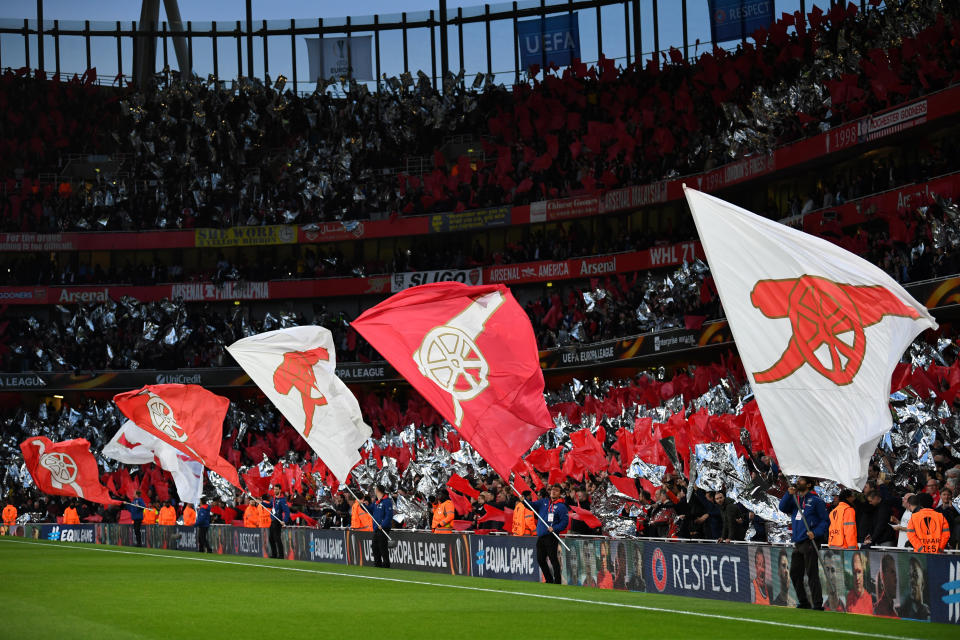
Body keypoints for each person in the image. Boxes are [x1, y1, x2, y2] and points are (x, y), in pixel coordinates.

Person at [778, 476, 828, 610]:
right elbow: (782, 507)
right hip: (798, 542)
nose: (797, 482)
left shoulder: (817, 501)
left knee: (812, 573)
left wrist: (816, 533)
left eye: (801, 480)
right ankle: (804, 601)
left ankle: (817, 604)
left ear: (809, 484)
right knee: (794, 573)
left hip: (810, 541)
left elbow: (825, 521)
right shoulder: (796, 500)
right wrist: (788, 494)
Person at [528, 485, 569, 584]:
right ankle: (549, 579)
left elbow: (564, 522)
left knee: (553, 558)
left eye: (556, 490)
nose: (553, 492)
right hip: (541, 536)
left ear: (560, 493)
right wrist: (523, 500)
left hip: (551, 536)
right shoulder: (544, 502)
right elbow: (532, 505)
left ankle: (557, 580)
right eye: (552, 490)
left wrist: (555, 528)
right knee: (540, 559)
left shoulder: (561, 506)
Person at [367, 484, 394, 569]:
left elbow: (389, 515)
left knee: (382, 546)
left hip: (383, 527)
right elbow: (369, 510)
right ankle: (377, 563)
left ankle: (386, 564)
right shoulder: (376, 502)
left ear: (378, 490)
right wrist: (363, 505)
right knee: (375, 546)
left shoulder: (387, 501)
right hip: (376, 528)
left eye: (375, 489)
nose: (374, 490)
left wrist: (383, 525)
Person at [266, 484, 291, 559]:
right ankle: (274, 554)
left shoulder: (282, 500)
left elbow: (287, 512)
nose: (275, 491)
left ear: (280, 490)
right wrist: (261, 502)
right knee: (271, 538)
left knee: (277, 538)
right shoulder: (274, 499)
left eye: (276, 489)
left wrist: (285, 521)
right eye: (274, 489)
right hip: (273, 520)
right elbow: (270, 505)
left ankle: (281, 555)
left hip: (277, 521)